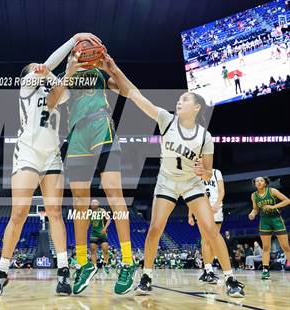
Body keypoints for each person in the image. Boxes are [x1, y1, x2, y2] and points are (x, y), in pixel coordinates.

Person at [97, 54, 245, 297]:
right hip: (166, 181)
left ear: (196, 107)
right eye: (178, 99)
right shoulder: (166, 120)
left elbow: (207, 169)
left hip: (191, 184)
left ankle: (230, 279)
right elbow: (134, 94)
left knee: (210, 230)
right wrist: (113, 69)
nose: (179, 101)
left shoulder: (204, 137)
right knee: (155, 228)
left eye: (184, 99)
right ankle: (146, 275)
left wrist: (204, 171)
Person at [0, 33, 99, 296]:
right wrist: (74, 40)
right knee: (19, 213)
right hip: (27, 153)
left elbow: (61, 90)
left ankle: (62, 271)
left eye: (40, 66)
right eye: (33, 67)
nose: (39, 67)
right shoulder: (26, 86)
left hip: (52, 156)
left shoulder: (58, 92)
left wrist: (69, 69)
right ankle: (2, 271)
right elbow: (47, 66)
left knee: (55, 213)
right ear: (28, 75)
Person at [55, 45, 135, 295]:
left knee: (113, 193)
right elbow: (53, 99)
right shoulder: (65, 76)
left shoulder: (101, 75)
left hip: (102, 126)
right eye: (79, 51)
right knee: (79, 203)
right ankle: (83, 262)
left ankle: (128, 261)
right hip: (76, 134)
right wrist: (70, 69)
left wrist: (112, 67)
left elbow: (127, 91)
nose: (83, 54)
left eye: (86, 51)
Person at [248, 177, 290, 280]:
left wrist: (272, 207)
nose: (259, 182)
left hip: (276, 219)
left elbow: (287, 200)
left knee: (285, 246)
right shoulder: (254, 195)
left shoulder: (272, 191)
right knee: (266, 247)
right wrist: (252, 214)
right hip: (264, 221)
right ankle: (265, 270)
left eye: (261, 180)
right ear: (255, 184)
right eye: (257, 181)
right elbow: (255, 208)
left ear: (265, 183)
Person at [188, 168, 225, 284]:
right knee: (205, 240)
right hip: (201, 208)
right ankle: (208, 270)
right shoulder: (195, 174)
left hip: (216, 208)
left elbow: (221, 191)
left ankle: (207, 270)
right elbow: (191, 196)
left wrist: (217, 204)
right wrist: (190, 214)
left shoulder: (216, 172)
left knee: (214, 240)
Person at [89, 199, 111, 274]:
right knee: (92, 250)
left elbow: (109, 219)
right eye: (92, 202)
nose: (94, 203)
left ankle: (106, 264)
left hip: (102, 232)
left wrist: (105, 228)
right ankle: (94, 267)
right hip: (94, 233)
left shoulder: (102, 210)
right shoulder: (89, 212)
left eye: (95, 202)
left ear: (98, 204)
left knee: (105, 249)